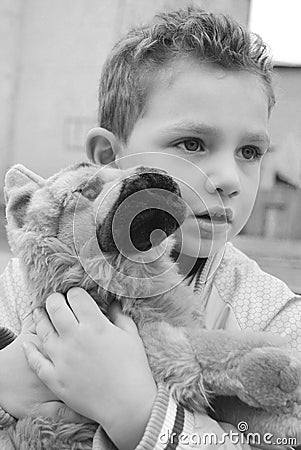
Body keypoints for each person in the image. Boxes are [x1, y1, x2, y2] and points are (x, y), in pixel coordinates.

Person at [0, 6, 300, 450]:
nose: (230, 179)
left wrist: (140, 413)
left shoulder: (274, 317)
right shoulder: (23, 282)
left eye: (251, 152)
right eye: (192, 144)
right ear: (107, 158)